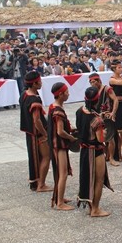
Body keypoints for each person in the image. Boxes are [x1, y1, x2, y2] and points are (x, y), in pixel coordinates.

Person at [76, 86, 113, 216]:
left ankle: (91, 205)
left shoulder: (80, 111)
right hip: (95, 151)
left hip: (84, 150)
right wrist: (105, 130)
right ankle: (95, 208)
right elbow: (100, 138)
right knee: (98, 179)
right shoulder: (97, 120)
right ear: (97, 101)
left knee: (87, 177)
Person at [19, 71, 52, 192]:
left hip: (29, 132)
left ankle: (36, 181)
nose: (41, 83)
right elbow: (37, 120)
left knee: (35, 157)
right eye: (39, 81)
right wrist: (44, 133)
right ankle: (41, 184)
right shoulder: (34, 100)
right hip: (36, 133)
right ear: (34, 84)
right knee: (46, 156)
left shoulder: (24, 94)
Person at [47, 82, 78, 210]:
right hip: (58, 145)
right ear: (60, 94)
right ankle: (60, 202)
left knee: (60, 172)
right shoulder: (58, 111)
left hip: (57, 144)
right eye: (66, 92)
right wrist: (71, 138)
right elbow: (60, 131)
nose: (68, 94)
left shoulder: (53, 106)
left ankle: (59, 196)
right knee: (63, 173)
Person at [88, 73, 119, 164]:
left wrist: (113, 113)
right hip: (97, 116)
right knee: (100, 137)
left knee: (110, 137)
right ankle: (106, 154)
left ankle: (112, 158)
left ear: (98, 81)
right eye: (90, 82)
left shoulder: (107, 89)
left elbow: (115, 100)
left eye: (93, 82)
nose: (92, 84)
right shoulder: (92, 91)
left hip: (107, 116)